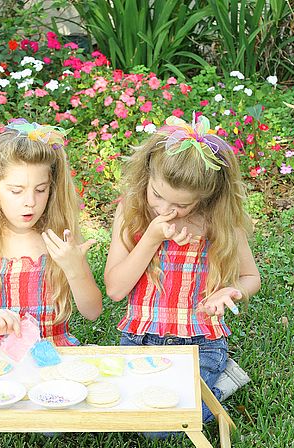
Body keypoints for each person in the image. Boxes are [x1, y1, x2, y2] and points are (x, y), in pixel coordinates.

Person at [104, 113, 261, 432]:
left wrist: (231, 291)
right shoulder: (131, 213)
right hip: (141, 338)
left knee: (162, 426)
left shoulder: (220, 224)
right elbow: (116, 290)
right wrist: (151, 237)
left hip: (199, 342)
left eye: (180, 205)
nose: (164, 210)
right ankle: (204, 396)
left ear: (206, 198)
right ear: (147, 174)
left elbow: (250, 278)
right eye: (157, 195)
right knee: (129, 413)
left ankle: (218, 388)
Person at [0, 118, 102, 359]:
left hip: (52, 354)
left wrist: (75, 270)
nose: (30, 201)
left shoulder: (61, 236)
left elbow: (92, 311)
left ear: (52, 188)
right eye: (16, 191)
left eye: (40, 189)